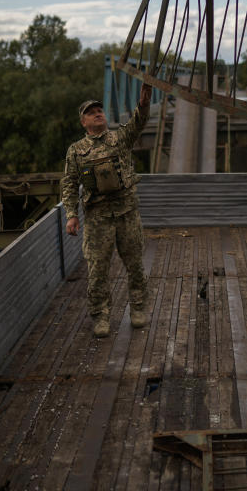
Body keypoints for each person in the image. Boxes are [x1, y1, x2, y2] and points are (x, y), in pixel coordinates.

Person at [61, 83, 152, 337]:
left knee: (135, 265)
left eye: (99, 110)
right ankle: (101, 317)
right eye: (91, 112)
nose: (97, 113)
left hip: (126, 213)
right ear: (83, 122)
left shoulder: (120, 139)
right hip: (97, 218)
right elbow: (69, 183)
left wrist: (144, 103)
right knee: (98, 270)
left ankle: (138, 309)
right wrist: (70, 214)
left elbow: (138, 122)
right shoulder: (77, 151)